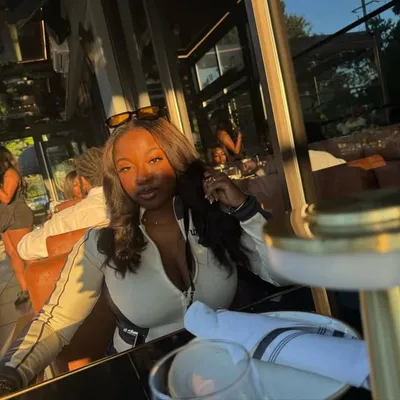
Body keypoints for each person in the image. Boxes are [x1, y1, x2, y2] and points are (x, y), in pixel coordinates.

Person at [0, 115, 289, 394]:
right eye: (126, 168)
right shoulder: (102, 243)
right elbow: (55, 322)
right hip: (144, 378)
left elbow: (280, 276)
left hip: (227, 371)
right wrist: (9, 376)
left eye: (154, 160)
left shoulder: (217, 219)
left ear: (178, 160)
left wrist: (245, 208)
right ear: (116, 178)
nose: (142, 177)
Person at [17, 147, 108, 260]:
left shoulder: (66, 218)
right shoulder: (125, 204)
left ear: (84, 181)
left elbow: (24, 248)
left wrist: (42, 226)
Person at [0, 147, 33, 306]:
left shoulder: (11, 173)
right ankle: (25, 289)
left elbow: (6, 197)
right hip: (5, 218)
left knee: (26, 252)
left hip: (17, 216)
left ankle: (44, 282)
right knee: (13, 254)